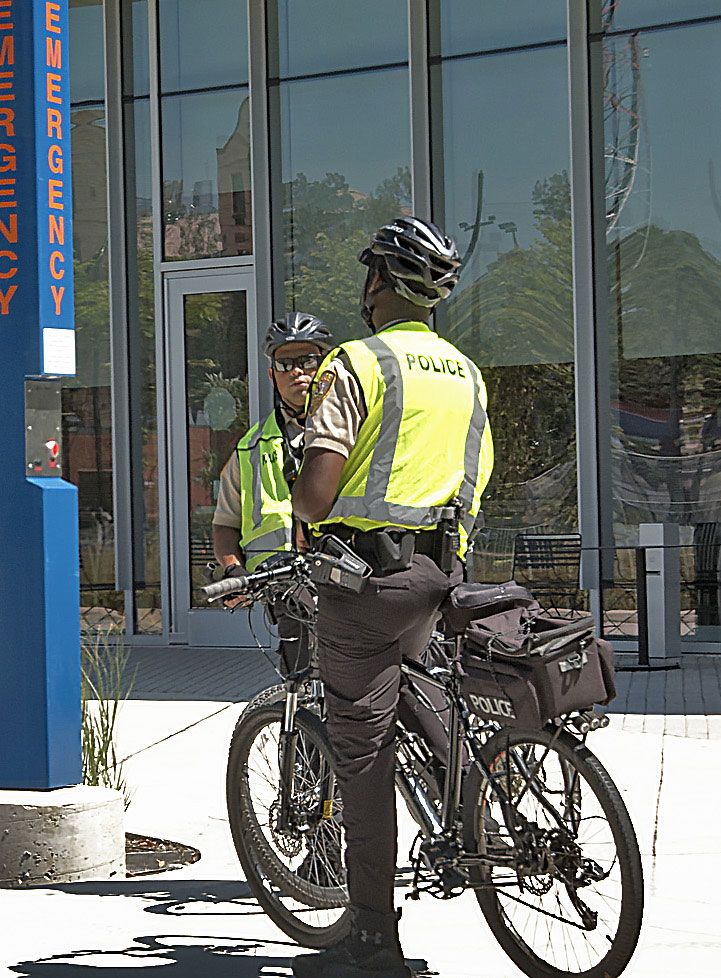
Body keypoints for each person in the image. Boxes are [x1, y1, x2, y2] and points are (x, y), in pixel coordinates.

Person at [289, 217, 493, 978]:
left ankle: (373, 934)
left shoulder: (357, 364)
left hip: (368, 582)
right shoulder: (466, 373)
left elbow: (314, 498)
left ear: (378, 282)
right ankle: (476, 810)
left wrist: (298, 474)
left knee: (360, 749)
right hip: (444, 576)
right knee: (412, 685)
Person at [211, 312, 334, 672]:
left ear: (325, 367)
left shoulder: (356, 433)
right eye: (285, 363)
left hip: (349, 590)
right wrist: (233, 569)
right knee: (299, 694)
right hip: (286, 594)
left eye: (308, 361)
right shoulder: (250, 447)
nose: (297, 371)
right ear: (272, 375)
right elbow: (225, 524)